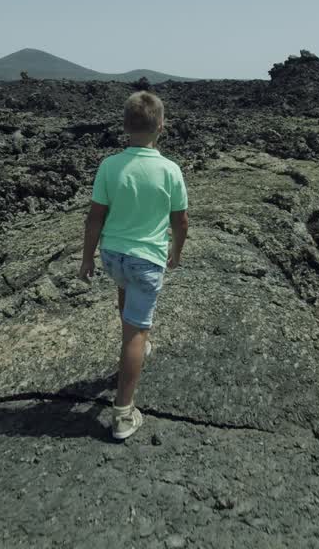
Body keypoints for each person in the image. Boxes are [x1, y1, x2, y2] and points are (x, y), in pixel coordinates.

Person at [79, 91, 189, 440]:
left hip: (113, 257)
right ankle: (124, 414)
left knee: (124, 288)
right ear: (161, 126)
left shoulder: (109, 166)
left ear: (125, 127)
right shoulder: (170, 170)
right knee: (135, 334)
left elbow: (94, 218)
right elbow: (181, 221)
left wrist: (86, 259)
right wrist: (177, 252)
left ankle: (137, 342)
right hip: (146, 260)